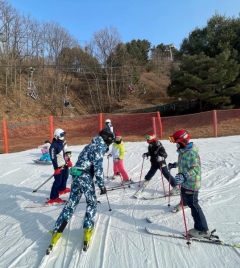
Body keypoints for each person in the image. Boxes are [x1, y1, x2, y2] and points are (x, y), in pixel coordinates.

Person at [48, 129, 114, 250]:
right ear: (107, 139)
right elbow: (98, 168)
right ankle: (87, 230)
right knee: (91, 203)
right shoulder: (99, 148)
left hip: (76, 175)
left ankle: (57, 231)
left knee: (71, 204)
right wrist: (102, 186)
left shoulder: (88, 146)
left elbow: (81, 161)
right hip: (85, 176)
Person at [168, 129, 210, 238]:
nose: (176, 146)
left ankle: (202, 229)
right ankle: (183, 203)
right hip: (185, 182)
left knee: (194, 205)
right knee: (183, 193)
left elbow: (196, 168)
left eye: (177, 143)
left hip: (191, 183)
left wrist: (184, 175)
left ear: (183, 142)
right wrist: (175, 165)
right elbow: (184, 162)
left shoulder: (191, 152)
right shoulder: (184, 151)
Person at [46, 128, 72, 204]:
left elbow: (67, 151)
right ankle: (53, 197)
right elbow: (53, 158)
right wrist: (56, 168)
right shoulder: (53, 146)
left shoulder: (63, 143)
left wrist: (69, 160)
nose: (63, 136)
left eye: (64, 134)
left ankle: (62, 189)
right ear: (57, 136)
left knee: (65, 177)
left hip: (65, 164)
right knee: (58, 181)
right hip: (59, 166)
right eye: (61, 135)